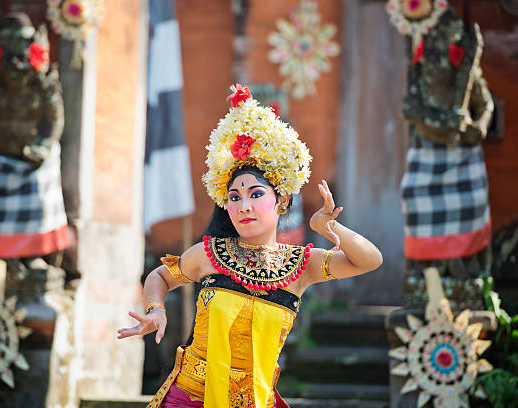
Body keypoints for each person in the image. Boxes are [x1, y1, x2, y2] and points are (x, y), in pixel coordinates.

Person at [118, 84, 383, 408]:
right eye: (234, 197)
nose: (244, 206)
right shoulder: (210, 254)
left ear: (282, 200)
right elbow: (159, 276)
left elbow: (370, 260)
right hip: (188, 399)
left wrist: (328, 227)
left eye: (256, 194)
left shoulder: (302, 265)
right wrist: (155, 310)